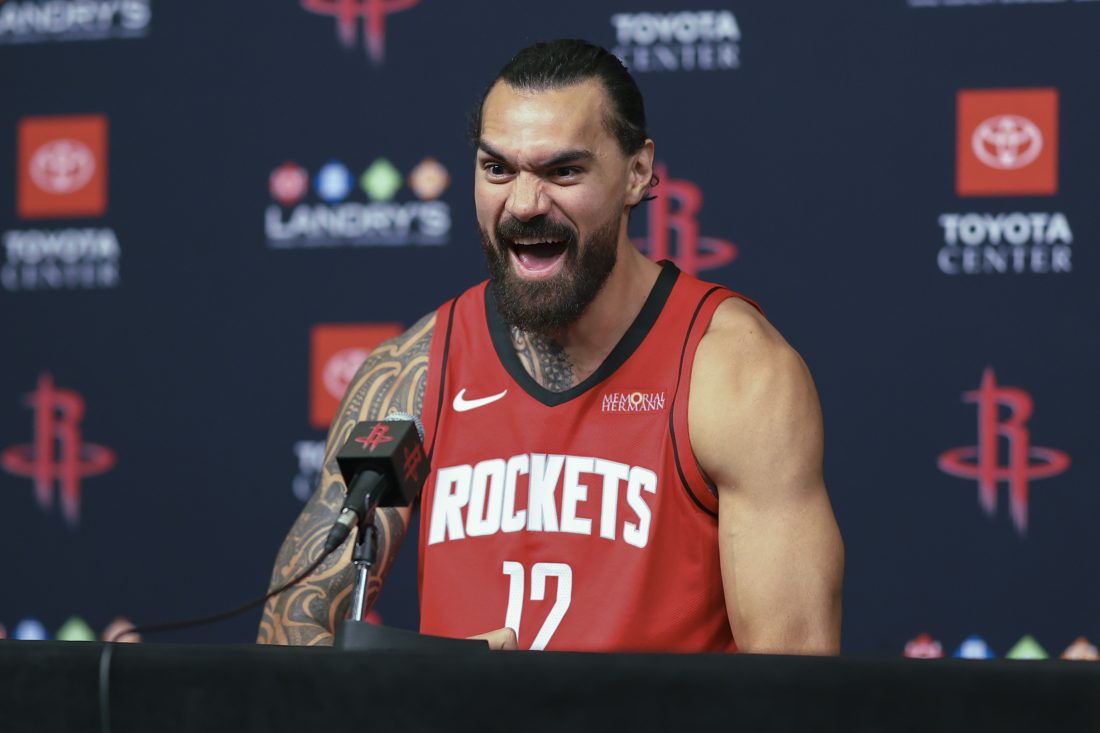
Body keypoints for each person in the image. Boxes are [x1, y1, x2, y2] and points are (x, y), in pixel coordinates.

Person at [257, 39, 843, 653]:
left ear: (637, 173)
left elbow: (794, 681)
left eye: (563, 172)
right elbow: (288, 635)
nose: (524, 204)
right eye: (497, 170)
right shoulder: (415, 371)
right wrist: (434, 680)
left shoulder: (734, 372)